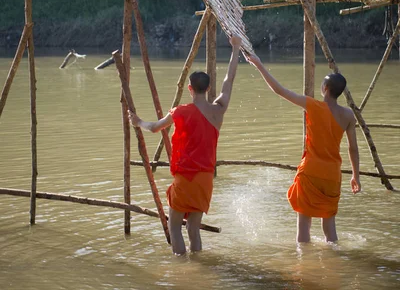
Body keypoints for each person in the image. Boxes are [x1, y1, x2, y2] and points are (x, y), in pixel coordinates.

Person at [129, 34, 242, 255]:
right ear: (208, 89)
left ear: (189, 89)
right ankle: (197, 266)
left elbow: (154, 127)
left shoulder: (180, 111)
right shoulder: (218, 110)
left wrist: (137, 121)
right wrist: (236, 49)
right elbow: (229, 80)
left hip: (185, 177)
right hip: (205, 179)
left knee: (175, 226)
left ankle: (181, 269)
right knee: (193, 228)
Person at [246, 54, 361, 243]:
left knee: (303, 225)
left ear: (324, 89)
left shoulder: (313, 105)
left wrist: (259, 64)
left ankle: (303, 264)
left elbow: (279, 90)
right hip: (332, 175)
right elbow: (353, 149)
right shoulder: (348, 115)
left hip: (311, 172)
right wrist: (355, 175)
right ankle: (334, 261)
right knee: (329, 227)